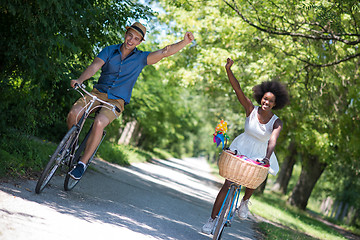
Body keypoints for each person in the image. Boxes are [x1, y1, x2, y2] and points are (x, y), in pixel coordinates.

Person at [67, 22, 195, 180]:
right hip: (97, 93)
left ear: (140, 42)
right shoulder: (109, 50)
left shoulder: (141, 58)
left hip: (116, 101)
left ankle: (82, 164)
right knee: (74, 113)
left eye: (136, 38)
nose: (131, 40)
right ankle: (69, 146)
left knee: (99, 123)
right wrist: (80, 79)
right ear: (125, 34)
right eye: (130, 35)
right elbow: (94, 66)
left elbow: (164, 52)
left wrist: (185, 42)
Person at [201, 58, 289, 234]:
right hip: (242, 145)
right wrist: (228, 69)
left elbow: (272, 140)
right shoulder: (251, 109)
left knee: (255, 174)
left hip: (262, 150)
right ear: (261, 98)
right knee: (227, 184)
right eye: (265, 99)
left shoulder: (276, 122)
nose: (266, 103)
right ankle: (211, 221)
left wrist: (266, 157)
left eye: (270, 101)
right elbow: (237, 89)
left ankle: (244, 202)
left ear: (275, 104)